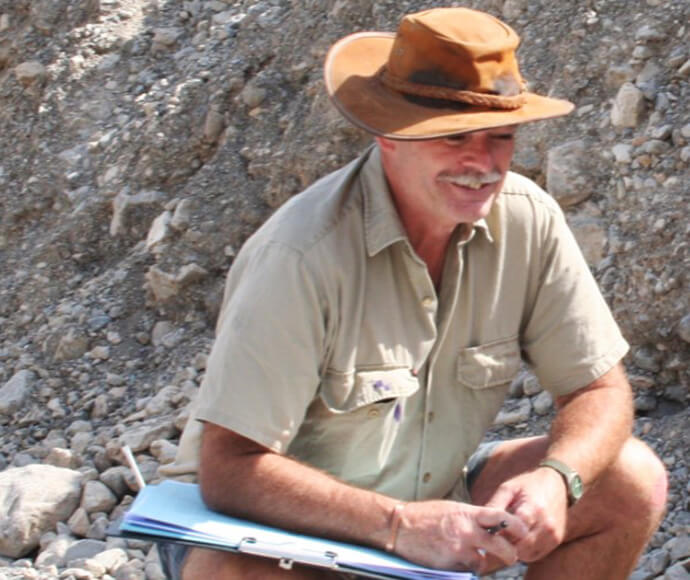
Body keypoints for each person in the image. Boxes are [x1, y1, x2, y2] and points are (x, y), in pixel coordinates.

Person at [159, 7, 668, 579]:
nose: (481, 164)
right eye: (453, 138)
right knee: (238, 574)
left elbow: (600, 391)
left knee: (628, 479)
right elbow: (230, 468)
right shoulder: (300, 256)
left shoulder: (528, 220)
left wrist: (557, 478)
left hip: (432, 506)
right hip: (286, 531)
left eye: (500, 137)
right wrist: (399, 525)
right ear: (389, 136)